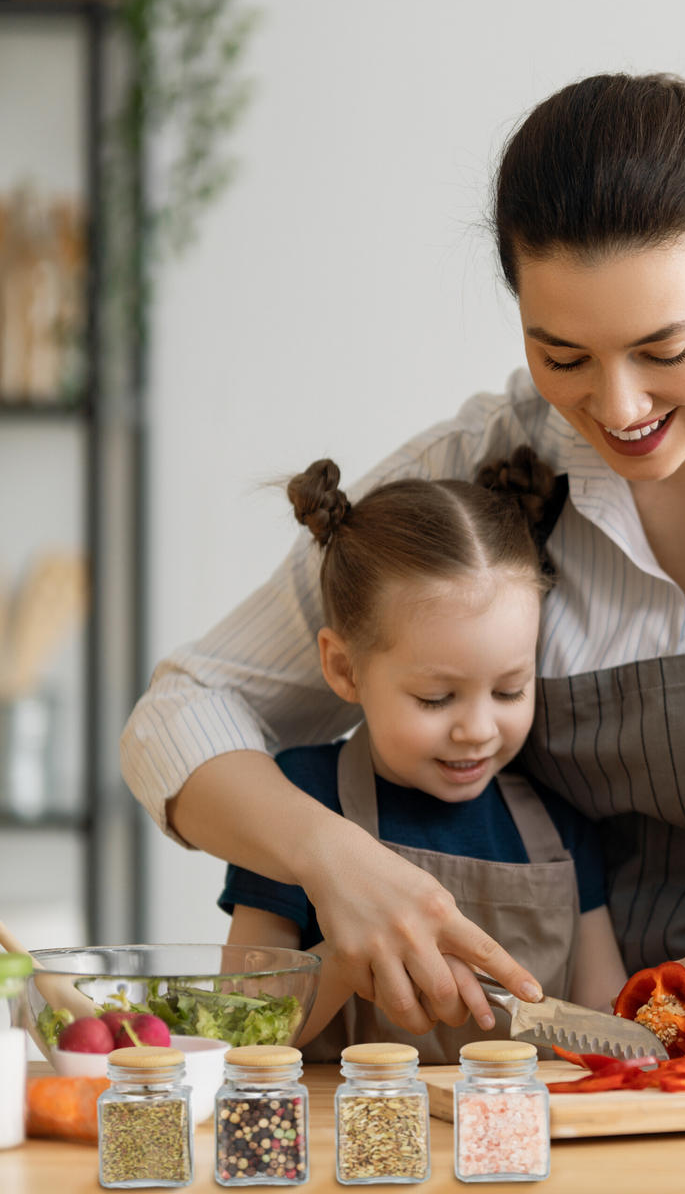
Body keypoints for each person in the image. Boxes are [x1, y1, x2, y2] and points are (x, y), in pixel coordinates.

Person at [121, 72, 685, 1063]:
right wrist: (332, 859)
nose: (617, 407)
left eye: (664, 349)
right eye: (562, 356)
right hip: (555, 1089)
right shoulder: (476, 472)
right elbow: (183, 710)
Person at [221, 448, 627, 1063]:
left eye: (510, 689)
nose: (478, 729)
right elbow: (238, 1030)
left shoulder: (558, 824)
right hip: (349, 1145)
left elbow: (605, 1018)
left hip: (524, 1149)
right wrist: (350, 954)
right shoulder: (298, 799)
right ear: (344, 668)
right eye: (437, 698)